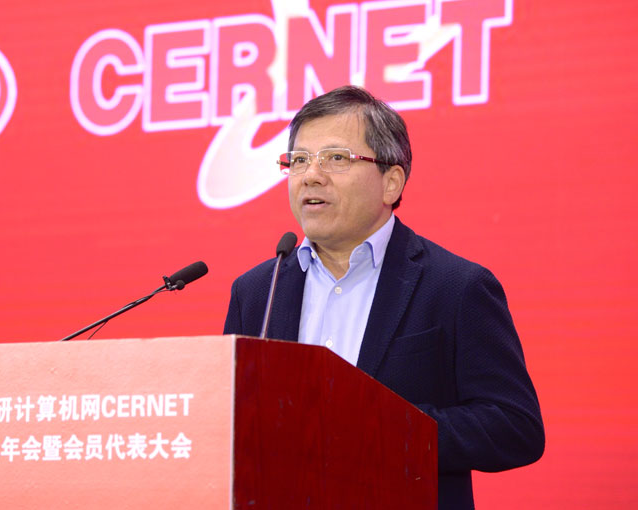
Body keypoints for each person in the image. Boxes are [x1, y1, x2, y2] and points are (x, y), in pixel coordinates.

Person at [223, 85, 544, 509]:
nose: (310, 175)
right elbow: (228, 422)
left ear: (391, 182)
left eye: (336, 158)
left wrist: (383, 429)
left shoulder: (455, 286)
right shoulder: (256, 292)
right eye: (298, 160)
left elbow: (515, 427)